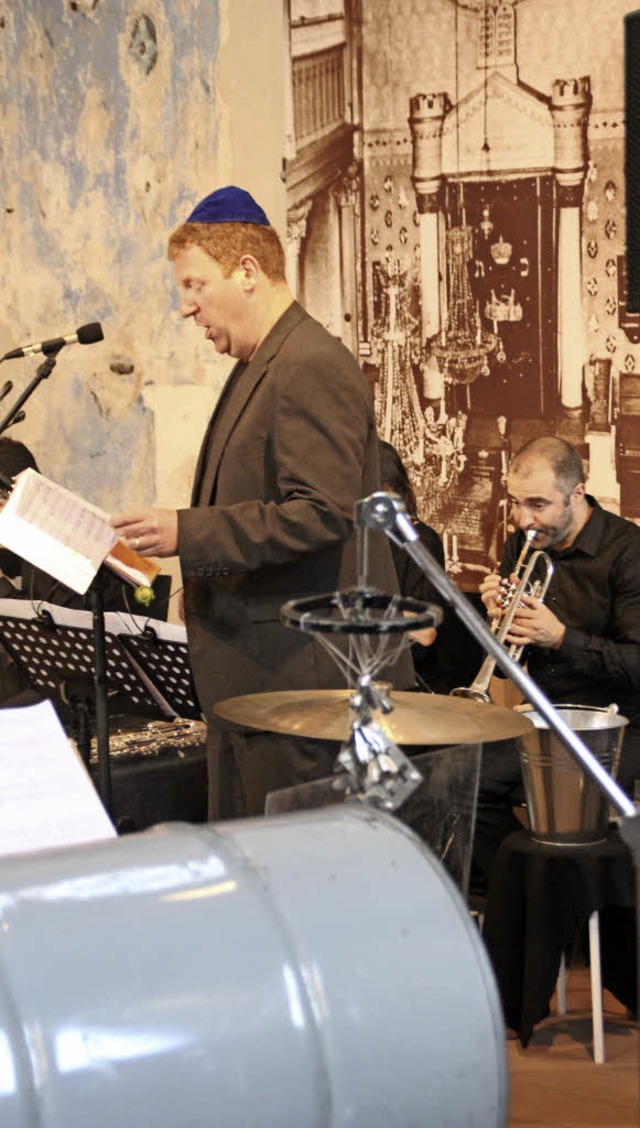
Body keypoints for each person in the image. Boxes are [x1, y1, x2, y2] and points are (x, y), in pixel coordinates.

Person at [112, 185, 413, 819]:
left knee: (296, 887)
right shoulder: (261, 365)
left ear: (246, 272)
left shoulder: (307, 363)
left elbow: (323, 511)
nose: (187, 308)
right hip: (253, 684)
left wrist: (185, 533)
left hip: (299, 685)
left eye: (196, 285)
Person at [473, 434, 640, 885]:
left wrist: (561, 638)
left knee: (568, 803)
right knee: (461, 783)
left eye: (538, 505)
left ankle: (565, 908)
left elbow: (636, 665)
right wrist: (500, 620)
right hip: (545, 718)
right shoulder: (524, 544)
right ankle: (527, 898)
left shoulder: (629, 553)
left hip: (620, 725)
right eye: (515, 503)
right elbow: (513, 655)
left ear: (577, 494)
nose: (524, 520)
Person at [378, 439, 460, 693]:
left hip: (418, 687)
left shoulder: (421, 540)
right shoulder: (363, 543)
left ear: (387, 490)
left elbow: (424, 631)